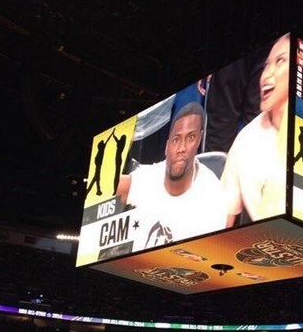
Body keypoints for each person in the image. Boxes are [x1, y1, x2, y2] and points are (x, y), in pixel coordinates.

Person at [116, 102, 228, 245]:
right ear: (166, 147)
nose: (181, 148)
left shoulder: (212, 198)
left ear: (199, 139)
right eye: (176, 140)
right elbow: (110, 188)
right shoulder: (153, 175)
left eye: (190, 137)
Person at [221, 34, 290, 225]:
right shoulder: (246, 140)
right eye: (266, 65)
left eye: (280, 61)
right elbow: (225, 215)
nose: (266, 75)